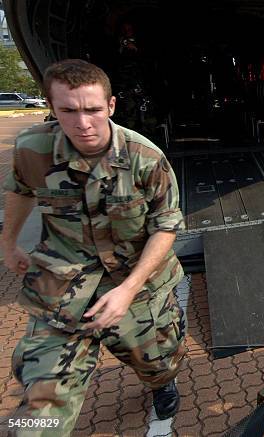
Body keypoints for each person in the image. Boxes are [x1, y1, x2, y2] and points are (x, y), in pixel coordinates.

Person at [1, 59, 186, 434]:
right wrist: (8, 244)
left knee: (159, 362)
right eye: (68, 110)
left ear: (111, 106)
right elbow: (20, 189)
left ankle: (161, 385)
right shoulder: (31, 148)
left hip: (138, 286)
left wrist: (127, 290)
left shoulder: (144, 158)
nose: (82, 123)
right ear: (51, 108)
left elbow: (166, 226)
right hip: (63, 287)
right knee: (37, 408)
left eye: (92, 110)